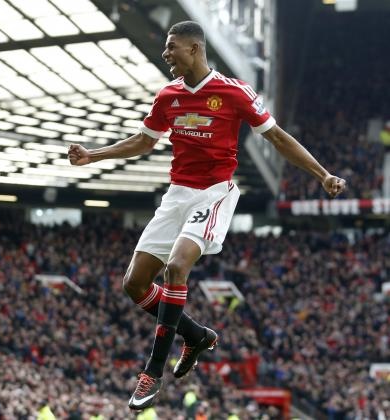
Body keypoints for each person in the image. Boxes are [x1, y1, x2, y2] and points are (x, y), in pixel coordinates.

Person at [67, 20, 346, 410]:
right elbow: (144, 141)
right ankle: (196, 335)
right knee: (134, 284)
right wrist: (93, 155)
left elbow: (278, 137)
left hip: (214, 194)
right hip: (177, 194)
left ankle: (153, 372)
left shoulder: (233, 92)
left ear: (194, 48)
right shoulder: (168, 96)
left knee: (176, 267)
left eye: (172, 46)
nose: (166, 53)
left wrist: (322, 174)